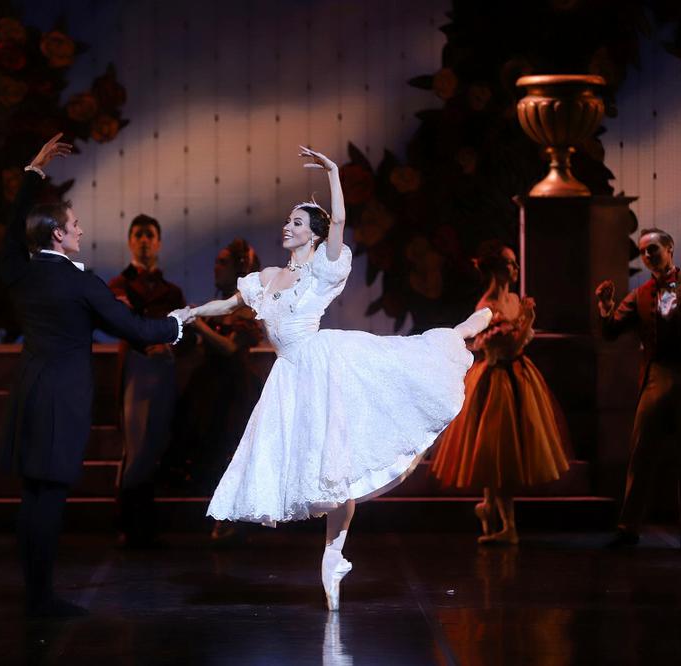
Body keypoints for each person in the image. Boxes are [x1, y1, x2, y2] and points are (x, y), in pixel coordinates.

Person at [190, 146, 491, 611]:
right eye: (288, 221)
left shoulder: (323, 269)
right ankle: (334, 556)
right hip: (289, 376)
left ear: (312, 235)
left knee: (401, 370)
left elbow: (341, 221)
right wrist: (189, 313)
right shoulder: (266, 278)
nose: (287, 227)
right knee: (328, 472)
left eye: (296, 222)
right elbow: (229, 304)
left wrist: (332, 172)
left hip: (324, 362)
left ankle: (459, 333)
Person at [0, 134, 189, 617]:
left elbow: (12, 230)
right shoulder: (80, 283)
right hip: (61, 400)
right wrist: (181, 322)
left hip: (29, 393)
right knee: (49, 498)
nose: (80, 230)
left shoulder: (19, 272)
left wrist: (32, 174)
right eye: (74, 225)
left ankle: (35, 593)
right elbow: (136, 329)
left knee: (33, 497)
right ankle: (41, 599)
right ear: (56, 235)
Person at [429, 241, 570, 545]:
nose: (516, 268)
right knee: (497, 452)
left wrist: (525, 321)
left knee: (501, 453)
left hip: (518, 376)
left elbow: (520, 343)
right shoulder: (487, 306)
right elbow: (505, 346)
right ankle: (507, 525)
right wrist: (527, 319)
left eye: (515, 262)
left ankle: (489, 508)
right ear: (495, 269)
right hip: (496, 381)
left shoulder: (515, 300)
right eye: (509, 263)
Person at [595, 228, 681, 550]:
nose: (647, 255)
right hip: (655, 377)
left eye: (653, 249)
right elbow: (612, 331)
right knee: (641, 453)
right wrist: (605, 306)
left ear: (669, 248)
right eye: (643, 251)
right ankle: (628, 528)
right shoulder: (640, 295)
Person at [172, 239, 265, 540]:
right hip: (209, 387)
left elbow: (229, 347)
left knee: (231, 449)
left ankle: (232, 519)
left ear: (239, 269)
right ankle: (217, 517)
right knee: (207, 449)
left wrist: (198, 323)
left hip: (235, 389)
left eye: (223, 262)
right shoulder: (215, 308)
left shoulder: (247, 311)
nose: (216, 268)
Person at [108, 215, 186, 548]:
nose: (144, 240)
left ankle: (144, 524)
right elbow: (119, 320)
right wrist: (147, 343)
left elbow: (184, 330)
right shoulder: (120, 284)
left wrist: (169, 346)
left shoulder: (172, 291)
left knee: (155, 444)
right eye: (138, 234)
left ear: (158, 242)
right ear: (130, 241)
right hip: (138, 367)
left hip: (163, 369)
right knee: (137, 445)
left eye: (149, 235)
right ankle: (129, 524)